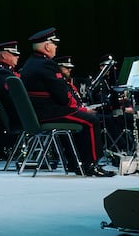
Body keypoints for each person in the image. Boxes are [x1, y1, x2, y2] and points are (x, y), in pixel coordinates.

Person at [19, 27, 115, 177]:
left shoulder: (30, 63)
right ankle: (91, 165)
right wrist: (80, 109)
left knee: (82, 119)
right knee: (91, 120)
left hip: (37, 113)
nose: (56, 47)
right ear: (47, 46)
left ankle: (75, 163)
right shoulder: (46, 64)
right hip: (49, 113)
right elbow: (63, 96)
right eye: (54, 44)